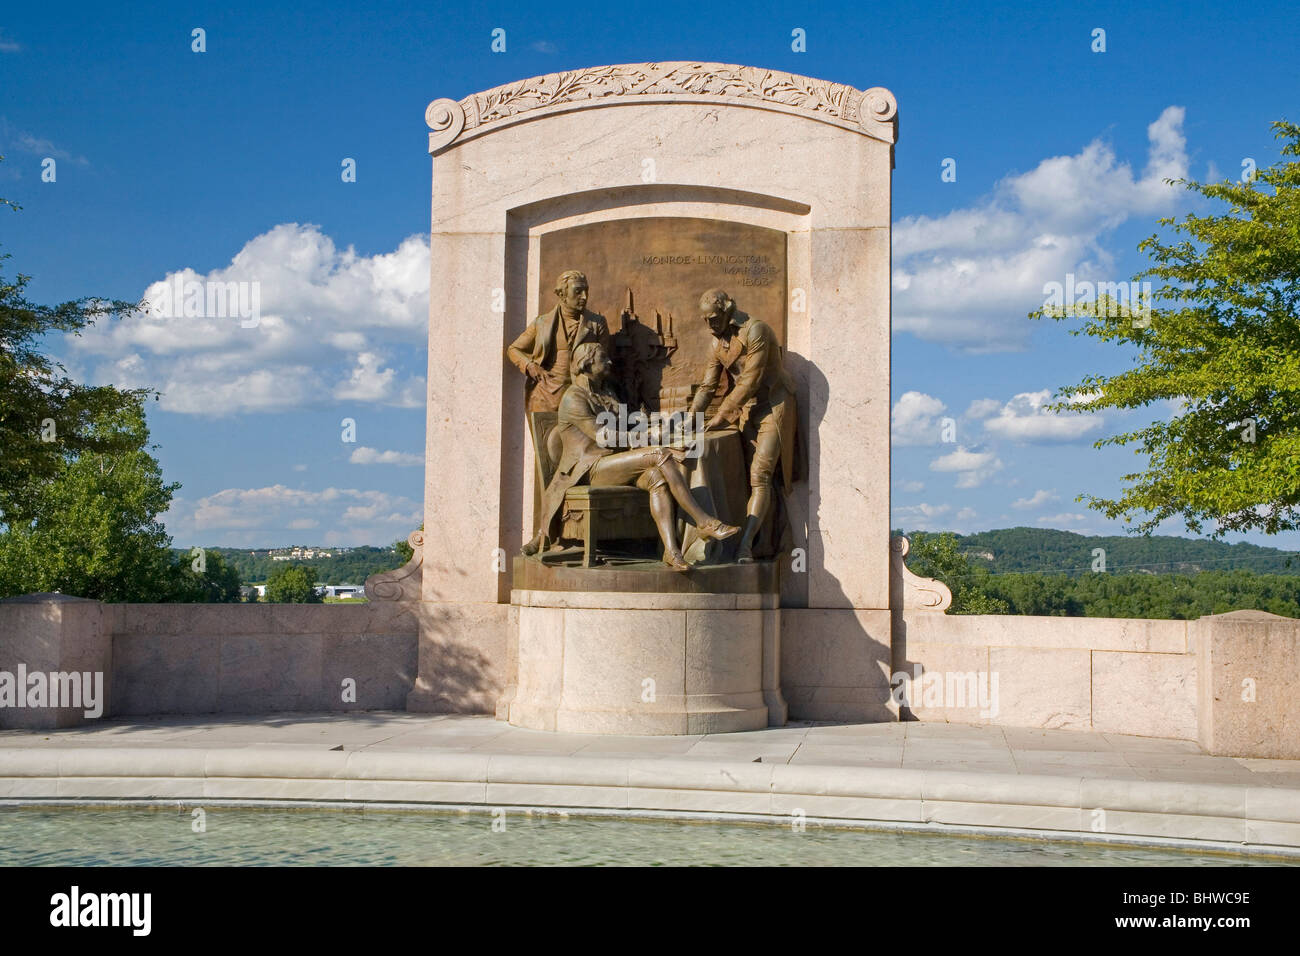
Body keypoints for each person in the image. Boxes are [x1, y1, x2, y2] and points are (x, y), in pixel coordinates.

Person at [526, 342, 738, 570]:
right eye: (602, 359)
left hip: (613, 464)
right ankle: (704, 521)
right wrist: (647, 439)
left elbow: (629, 421)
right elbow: (604, 436)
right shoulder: (574, 397)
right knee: (659, 455)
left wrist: (662, 425)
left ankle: (671, 552)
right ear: (586, 364)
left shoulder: (606, 392)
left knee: (656, 477)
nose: (609, 362)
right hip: (588, 469)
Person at [690, 288, 796, 563]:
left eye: (713, 318)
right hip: (747, 411)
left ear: (727, 310)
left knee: (760, 475)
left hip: (773, 406)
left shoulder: (756, 330)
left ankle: (746, 547)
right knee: (746, 479)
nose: (710, 325)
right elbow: (708, 385)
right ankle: (757, 540)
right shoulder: (717, 343)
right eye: (705, 320)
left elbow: (751, 379)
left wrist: (722, 416)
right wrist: (690, 417)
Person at [506, 270, 612, 413]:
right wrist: (530, 366)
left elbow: (604, 359)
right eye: (578, 291)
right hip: (546, 396)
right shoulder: (542, 323)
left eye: (586, 291)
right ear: (562, 294)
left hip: (583, 397)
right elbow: (513, 349)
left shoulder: (597, 323)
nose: (584, 297)